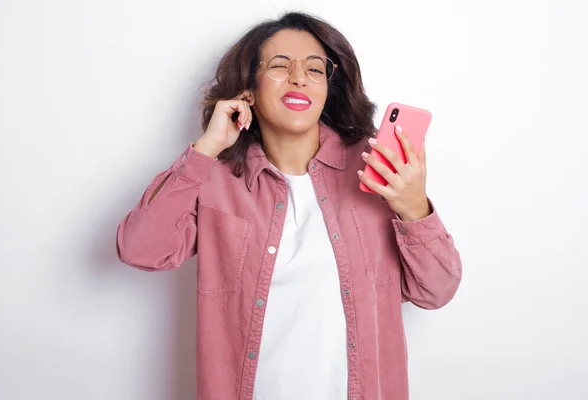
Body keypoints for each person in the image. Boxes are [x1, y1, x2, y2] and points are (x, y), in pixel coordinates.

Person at [116, 11, 462, 400]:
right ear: (248, 89)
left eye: (315, 69)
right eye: (280, 66)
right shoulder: (214, 180)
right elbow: (140, 249)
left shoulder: (377, 168)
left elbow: (436, 292)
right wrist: (207, 148)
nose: (300, 77)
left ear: (328, 88)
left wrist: (414, 207)